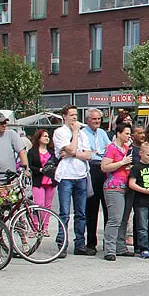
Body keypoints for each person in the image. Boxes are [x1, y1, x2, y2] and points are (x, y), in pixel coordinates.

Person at [53, 105, 94, 256]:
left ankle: (80, 244)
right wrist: (75, 134)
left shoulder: (83, 134)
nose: (75, 118)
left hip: (81, 175)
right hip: (66, 176)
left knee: (81, 212)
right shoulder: (60, 132)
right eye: (71, 115)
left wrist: (73, 153)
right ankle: (62, 242)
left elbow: (88, 155)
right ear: (64, 116)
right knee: (64, 212)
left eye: (76, 115)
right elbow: (69, 149)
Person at [101, 123, 134, 261]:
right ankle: (109, 249)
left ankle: (120, 246)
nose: (128, 136)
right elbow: (104, 167)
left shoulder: (127, 148)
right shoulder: (111, 148)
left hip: (127, 185)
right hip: (114, 187)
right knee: (115, 219)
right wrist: (122, 162)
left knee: (124, 219)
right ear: (119, 133)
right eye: (126, 133)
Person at [82, 109, 111, 249]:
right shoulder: (83, 133)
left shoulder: (102, 133)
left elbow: (109, 150)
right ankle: (91, 243)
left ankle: (108, 243)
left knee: (107, 207)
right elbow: (86, 153)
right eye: (94, 119)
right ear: (88, 120)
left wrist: (97, 152)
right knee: (91, 208)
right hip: (91, 169)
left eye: (99, 119)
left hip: (104, 169)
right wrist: (96, 153)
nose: (97, 122)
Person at [26, 129, 58, 212]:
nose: (47, 138)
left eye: (48, 136)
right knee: (39, 205)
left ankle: (45, 225)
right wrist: (40, 170)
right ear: (39, 138)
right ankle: (37, 224)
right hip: (38, 181)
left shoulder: (52, 152)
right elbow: (29, 166)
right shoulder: (32, 152)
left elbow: (57, 164)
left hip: (50, 181)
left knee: (48, 206)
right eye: (44, 136)